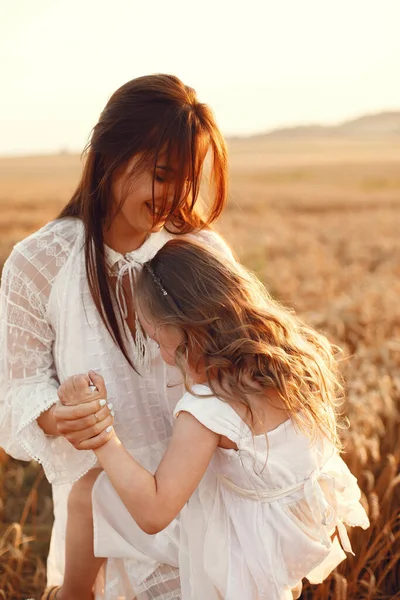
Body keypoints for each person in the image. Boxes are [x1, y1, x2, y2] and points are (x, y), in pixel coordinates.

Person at [0, 74, 231, 600]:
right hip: (102, 522)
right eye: (161, 173)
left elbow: (240, 366)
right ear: (109, 152)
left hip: (204, 504)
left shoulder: (201, 252)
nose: (173, 196)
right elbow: (15, 388)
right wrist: (61, 416)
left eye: (187, 179)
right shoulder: (40, 263)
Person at [53, 239, 370, 600]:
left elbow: (155, 512)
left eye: (159, 341)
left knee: (87, 494)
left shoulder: (207, 409)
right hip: (283, 536)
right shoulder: (288, 363)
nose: (165, 358)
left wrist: (102, 434)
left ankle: (70, 596)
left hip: (234, 552)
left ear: (189, 326)